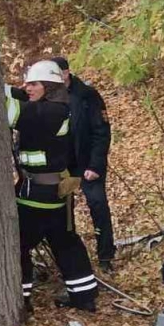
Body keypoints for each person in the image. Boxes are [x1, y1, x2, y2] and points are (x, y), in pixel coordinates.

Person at [6, 60, 98, 313]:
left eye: (34, 84)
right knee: (65, 241)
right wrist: (8, 88)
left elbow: (12, 112)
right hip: (54, 193)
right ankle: (84, 295)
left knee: (19, 244)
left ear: (48, 86)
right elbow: (21, 98)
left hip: (37, 195)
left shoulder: (50, 112)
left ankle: (21, 299)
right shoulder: (58, 107)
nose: (27, 88)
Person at [50, 56, 115, 270]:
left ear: (67, 73)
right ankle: (71, 259)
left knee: (98, 205)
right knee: (63, 212)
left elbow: (101, 132)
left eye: (57, 74)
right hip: (63, 165)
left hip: (87, 163)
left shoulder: (87, 95)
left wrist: (95, 165)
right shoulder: (50, 97)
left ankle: (106, 256)